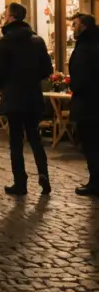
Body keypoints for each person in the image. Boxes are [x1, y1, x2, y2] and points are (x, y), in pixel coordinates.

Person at [0, 2, 52, 195]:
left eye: (5, 14)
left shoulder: (5, 42)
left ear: (11, 17)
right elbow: (47, 70)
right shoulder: (37, 41)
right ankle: (43, 174)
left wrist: (2, 84)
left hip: (14, 97)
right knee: (34, 137)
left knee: (16, 141)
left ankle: (20, 182)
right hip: (33, 96)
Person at [69, 13, 99, 196]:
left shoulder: (85, 48)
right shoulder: (91, 44)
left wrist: (75, 85)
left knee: (91, 144)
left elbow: (81, 77)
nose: (73, 28)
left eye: (75, 24)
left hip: (88, 104)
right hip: (92, 102)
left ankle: (95, 182)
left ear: (84, 26)